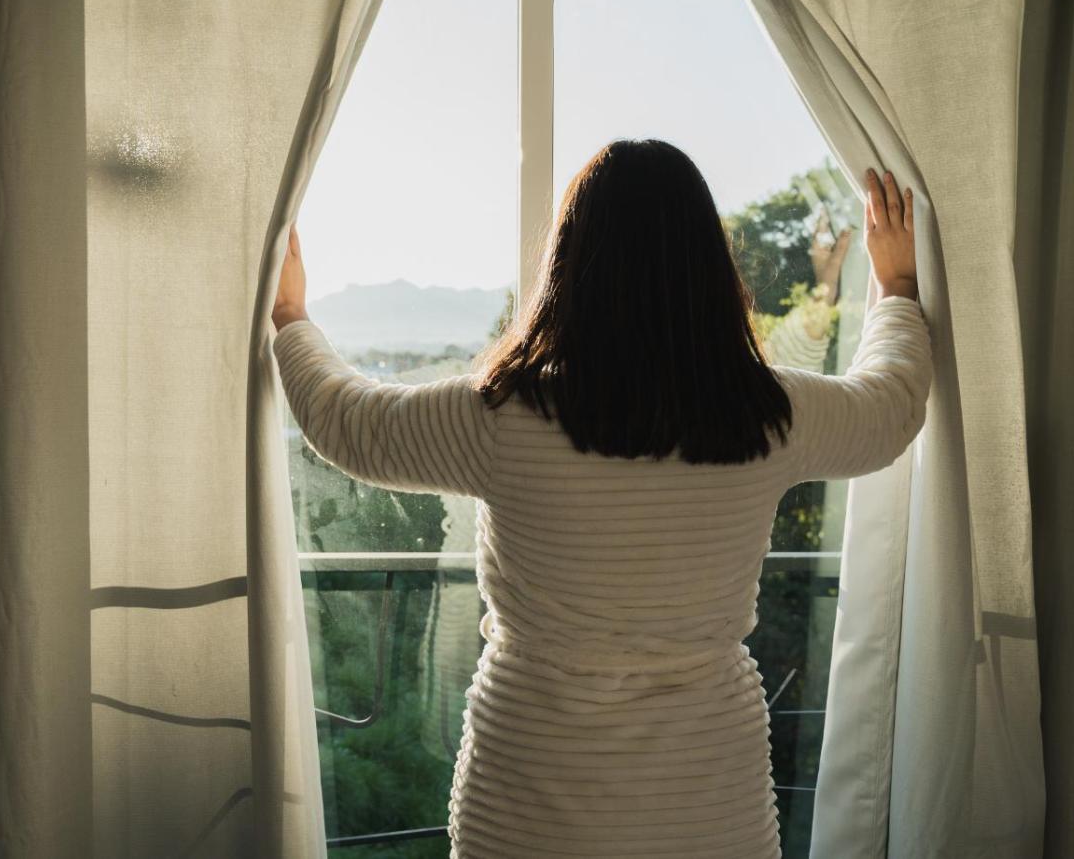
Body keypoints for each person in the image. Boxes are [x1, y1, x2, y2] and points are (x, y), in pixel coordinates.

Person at [271, 139, 931, 858]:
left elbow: (347, 422)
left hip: (528, 807)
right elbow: (889, 408)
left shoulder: (503, 417)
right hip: (708, 806)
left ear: (569, 263)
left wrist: (291, 316)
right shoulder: (767, 416)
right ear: (710, 268)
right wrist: (897, 287)